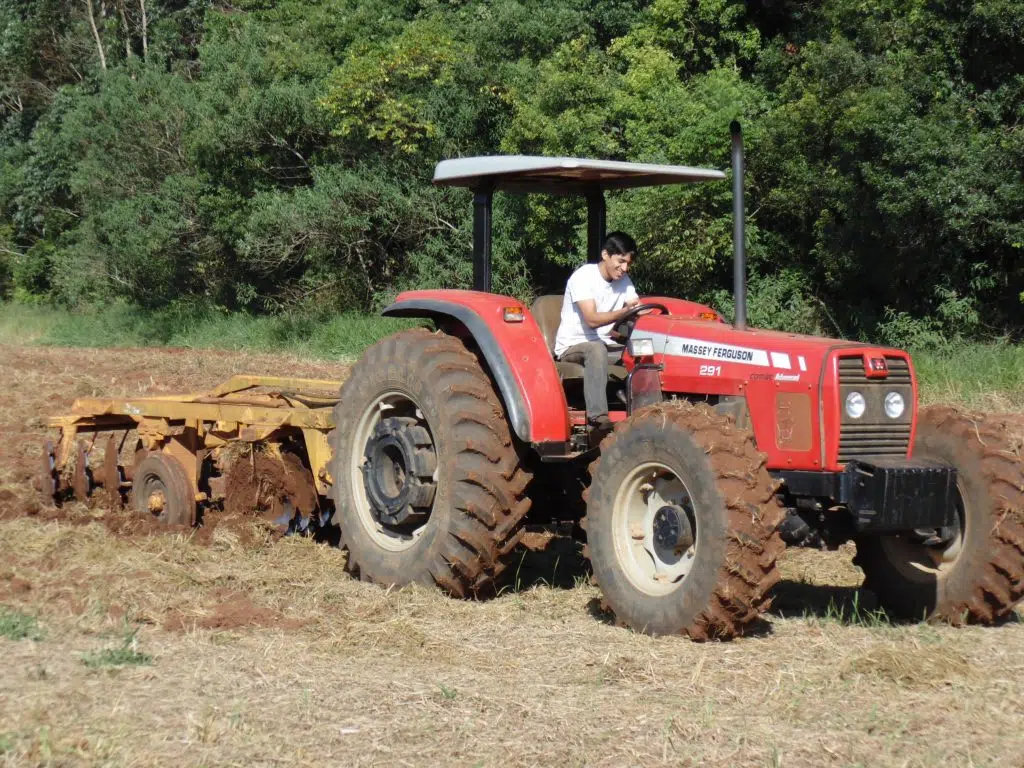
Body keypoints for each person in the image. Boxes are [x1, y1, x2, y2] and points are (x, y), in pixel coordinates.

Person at [553, 231, 640, 435]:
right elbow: (591, 319)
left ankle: (645, 409)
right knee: (596, 349)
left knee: (643, 350)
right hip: (574, 345)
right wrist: (624, 312)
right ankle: (598, 418)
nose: (624, 268)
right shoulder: (583, 277)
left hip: (606, 343)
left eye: (628, 263)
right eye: (620, 261)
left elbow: (636, 306)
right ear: (605, 255)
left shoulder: (624, 280)